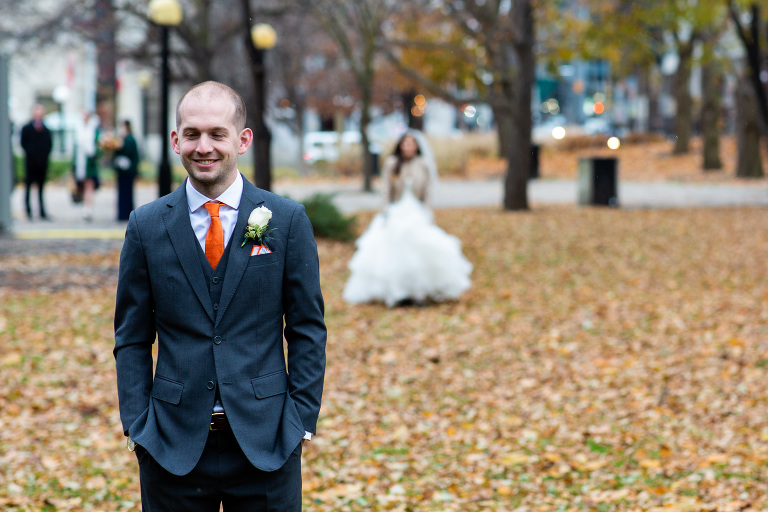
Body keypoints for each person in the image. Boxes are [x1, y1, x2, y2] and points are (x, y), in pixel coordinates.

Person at [114, 81, 326, 512]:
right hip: (171, 445)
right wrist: (138, 426)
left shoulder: (285, 220)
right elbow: (132, 336)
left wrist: (301, 421)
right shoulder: (146, 226)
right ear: (176, 140)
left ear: (242, 140)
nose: (203, 146)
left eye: (217, 134)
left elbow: (307, 328)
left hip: (267, 443)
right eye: (192, 134)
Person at [343, 131, 472, 307]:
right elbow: (386, 189)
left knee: (419, 248)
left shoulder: (423, 164)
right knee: (394, 249)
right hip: (397, 209)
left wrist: (426, 210)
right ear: (400, 145)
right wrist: (386, 210)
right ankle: (398, 291)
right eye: (406, 143)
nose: (408, 147)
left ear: (416, 146)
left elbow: (428, 190)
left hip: (416, 210)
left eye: (412, 143)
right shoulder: (392, 163)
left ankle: (418, 291)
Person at [20, 104, 53, 220]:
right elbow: (23, 143)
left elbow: (49, 145)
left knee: (41, 188)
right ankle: (28, 211)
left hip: (42, 163)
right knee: (28, 187)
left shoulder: (46, 130)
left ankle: (42, 211)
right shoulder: (27, 128)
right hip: (30, 163)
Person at [74, 111, 101, 221]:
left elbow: (98, 147)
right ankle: (85, 206)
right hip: (81, 163)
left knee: (90, 186)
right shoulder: (79, 129)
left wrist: (95, 154)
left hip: (90, 163)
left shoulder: (94, 130)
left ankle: (88, 208)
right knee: (83, 187)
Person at [112, 120, 140, 221]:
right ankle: (122, 214)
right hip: (121, 171)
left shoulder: (130, 139)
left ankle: (127, 212)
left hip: (129, 171)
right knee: (121, 193)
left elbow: (134, 155)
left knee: (128, 192)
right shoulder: (119, 139)